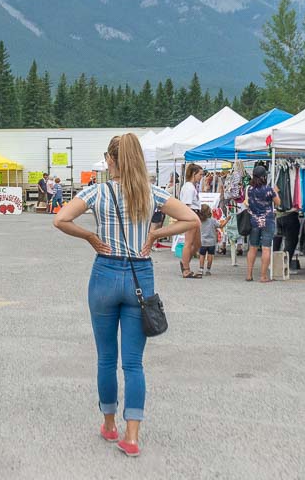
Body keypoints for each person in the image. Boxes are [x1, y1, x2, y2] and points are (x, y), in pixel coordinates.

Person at [53, 134, 198, 457]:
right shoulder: (151, 193)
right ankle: (132, 436)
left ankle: (109, 424)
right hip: (139, 276)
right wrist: (157, 232)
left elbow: (60, 219)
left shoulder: (97, 192)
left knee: (106, 358)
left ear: (110, 160)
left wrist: (90, 236)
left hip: (104, 274)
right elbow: (192, 218)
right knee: (133, 363)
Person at [246, 164, 281, 283]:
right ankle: (263, 276)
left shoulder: (249, 189)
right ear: (264, 176)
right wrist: (276, 192)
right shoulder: (269, 189)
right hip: (267, 221)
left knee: (252, 248)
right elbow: (278, 203)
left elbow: (247, 203)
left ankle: (249, 275)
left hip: (254, 221)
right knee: (266, 248)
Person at [179, 164, 204, 278]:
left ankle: (185, 262)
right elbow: (186, 205)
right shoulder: (189, 187)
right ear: (194, 174)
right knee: (189, 242)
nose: (201, 177)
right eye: (200, 174)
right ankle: (186, 269)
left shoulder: (191, 187)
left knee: (197, 243)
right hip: (191, 215)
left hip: (194, 215)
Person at [197, 204, 229, 276]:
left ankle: (201, 269)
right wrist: (227, 220)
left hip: (203, 241)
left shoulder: (199, 221)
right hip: (212, 242)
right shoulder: (213, 220)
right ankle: (208, 270)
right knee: (210, 255)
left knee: (202, 255)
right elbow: (221, 226)